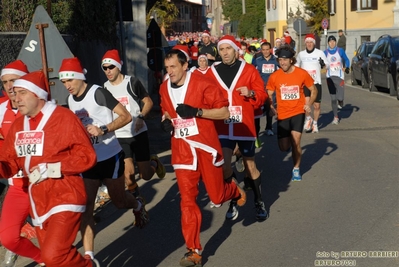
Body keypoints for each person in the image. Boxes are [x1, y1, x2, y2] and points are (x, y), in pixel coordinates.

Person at [0, 70, 98, 266]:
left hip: (65, 193)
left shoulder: (64, 118)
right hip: (38, 199)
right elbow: (10, 164)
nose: (16, 98)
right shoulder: (19, 125)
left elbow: (87, 156)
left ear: (37, 95)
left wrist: (55, 168)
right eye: (14, 93)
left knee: (53, 256)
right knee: (53, 257)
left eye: (21, 93)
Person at [159, 48, 246, 267]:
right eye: (167, 67)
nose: (170, 72)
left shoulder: (201, 84)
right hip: (182, 150)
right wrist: (166, 120)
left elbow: (224, 113)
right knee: (187, 202)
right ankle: (194, 250)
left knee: (216, 198)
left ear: (185, 65)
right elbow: (167, 111)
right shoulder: (163, 88)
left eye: (174, 67)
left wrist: (197, 112)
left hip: (206, 147)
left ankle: (233, 189)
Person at [59, 57, 149, 262]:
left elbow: (125, 116)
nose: (67, 86)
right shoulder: (71, 100)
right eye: (64, 82)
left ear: (80, 77)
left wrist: (103, 129)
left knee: (119, 202)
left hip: (110, 156)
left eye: (70, 80)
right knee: (87, 206)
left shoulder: (97, 92)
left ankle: (136, 205)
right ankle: (90, 257)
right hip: (88, 161)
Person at [208, 35, 268, 221]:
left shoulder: (249, 70)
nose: (225, 52)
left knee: (251, 167)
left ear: (236, 50)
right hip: (222, 126)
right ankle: (235, 195)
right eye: (222, 49)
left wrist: (250, 93)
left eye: (228, 48)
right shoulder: (212, 72)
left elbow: (262, 94)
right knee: (225, 166)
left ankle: (259, 201)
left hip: (243, 126)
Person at [101, 49, 165, 198]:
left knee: (146, 175)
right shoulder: (104, 88)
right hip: (119, 136)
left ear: (119, 66)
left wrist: (141, 117)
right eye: (105, 68)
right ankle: (138, 205)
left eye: (111, 67)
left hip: (138, 133)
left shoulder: (132, 82)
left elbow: (148, 101)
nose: (108, 71)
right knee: (129, 176)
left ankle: (154, 163)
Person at [0, 61, 43, 266]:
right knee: (8, 238)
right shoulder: (0, 109)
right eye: (5, 82)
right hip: (17, 186)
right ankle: (43, 258)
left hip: (43, 184)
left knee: (53, 240)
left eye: (13, 81)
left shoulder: (40, 106)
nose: (9, 87)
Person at [266, 45, 317, 181]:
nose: (282, 63)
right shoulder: (275, 76)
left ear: (291, 60)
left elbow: (314, 90)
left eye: (285, 60)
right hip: (282, 115)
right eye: (280, 60)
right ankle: (289, 147)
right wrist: (270, 106)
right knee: (284, 147)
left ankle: (296, 169)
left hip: (297, 112)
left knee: (296, 143)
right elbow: (268, 93)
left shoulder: (301, 73)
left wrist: (308, 104)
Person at [296, 33, 329, 133]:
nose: (309, 44)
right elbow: (296, 66)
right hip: (305, 83)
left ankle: (315, 123)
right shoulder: (301, 54)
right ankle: (308, 119)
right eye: (307, 42)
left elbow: (327, 65)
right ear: (305, 43)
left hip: (316, 82)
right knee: (306, 104)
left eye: (311, 42)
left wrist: (323, 64)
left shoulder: (319, 53)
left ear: (314, 43)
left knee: (316, 106)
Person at [254, 41, 279, 137]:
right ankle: (257, 129)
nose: (265, 52)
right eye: (263, 50)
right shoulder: (258, 60)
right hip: (260, 88)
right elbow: (254, 73)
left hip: (272, 89)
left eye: (267, 50)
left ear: (270, 50)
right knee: (259, 108)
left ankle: (269, 128)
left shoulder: (276, 60)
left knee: (270, 107)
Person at [324, 35, 350, 124]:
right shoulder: (325, 52)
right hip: (330, 77)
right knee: (333, 99)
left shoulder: (340, 51)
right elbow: (320, 62)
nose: (332, 43)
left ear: (335, 42)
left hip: (339, 77)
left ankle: (341, 101)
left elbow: (347, 60)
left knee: (340, 97)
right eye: (330, 42)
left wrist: (346, 67)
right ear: (328, 43)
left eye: (333, 41)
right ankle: (335, 117)